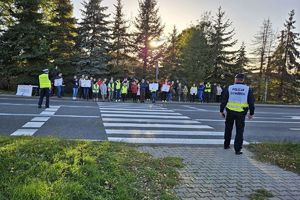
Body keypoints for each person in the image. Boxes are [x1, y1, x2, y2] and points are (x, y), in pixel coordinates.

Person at [220, 73, 255, 155]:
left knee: (228, 128)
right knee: (239, 131)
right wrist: (251, 113)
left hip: (230, 111)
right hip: (241, 112)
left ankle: (226, 145)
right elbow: (251, 102)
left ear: (236, 79)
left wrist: (221, 110)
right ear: (243, 80)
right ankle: (237, 150)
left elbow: (224, 100)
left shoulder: (230, 88)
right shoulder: (247, 89)